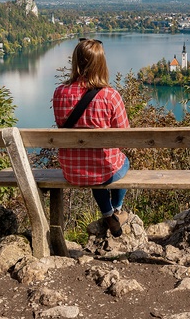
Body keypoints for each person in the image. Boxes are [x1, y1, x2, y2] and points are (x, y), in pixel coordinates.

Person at [52, 38, 130, 237]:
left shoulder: (60, 92)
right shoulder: (110, 96)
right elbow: (125, 135)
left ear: (75, 62)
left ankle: (108, 214)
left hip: (71, 170)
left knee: (96, 167)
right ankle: (116, 210)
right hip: (103, 171)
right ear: (101, 63)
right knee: (121, 162)